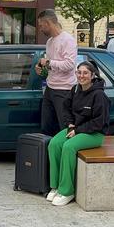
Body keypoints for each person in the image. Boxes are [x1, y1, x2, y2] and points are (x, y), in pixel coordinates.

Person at [46, 61, 110, 206]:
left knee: (69, 147)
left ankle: (67, 191)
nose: (81, 76)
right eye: (79, 72)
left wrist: (77, 130)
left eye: (85, 73)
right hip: (75, 129)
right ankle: (55, 186)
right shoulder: (75, 89)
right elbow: (66, 109)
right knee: (54, 143)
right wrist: (70, 124)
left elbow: (99, 123)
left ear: (93, 75)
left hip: (94, 134)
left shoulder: (99, 95)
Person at [35, 9, 77, 137]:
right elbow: (52, 65)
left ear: (48, 23)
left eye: (41, 26)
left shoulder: (68, 40)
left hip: (64, 90)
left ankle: (65, 155)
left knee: (64, 129)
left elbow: (70, 65)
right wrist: (42, 69)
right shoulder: (49, 41)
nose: (40, 29)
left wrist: (48, 63)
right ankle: (48, 155)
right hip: (50, 88)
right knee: (47, 127)